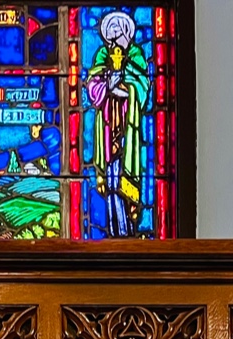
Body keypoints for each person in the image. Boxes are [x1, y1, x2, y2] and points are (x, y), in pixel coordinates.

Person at [85, 11, 149, 237]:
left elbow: (141, 88)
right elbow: (93, 86)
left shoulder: (137, 55)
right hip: (106, 127)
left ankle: (127, 231)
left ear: (127, 33)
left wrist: (123, 86)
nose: (114, 39)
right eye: (110, 33)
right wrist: (107, 84)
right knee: (111, 182)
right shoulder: (102, 54)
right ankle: (113, 230)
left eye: (118, 33)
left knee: (125, 177)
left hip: (127, 130)